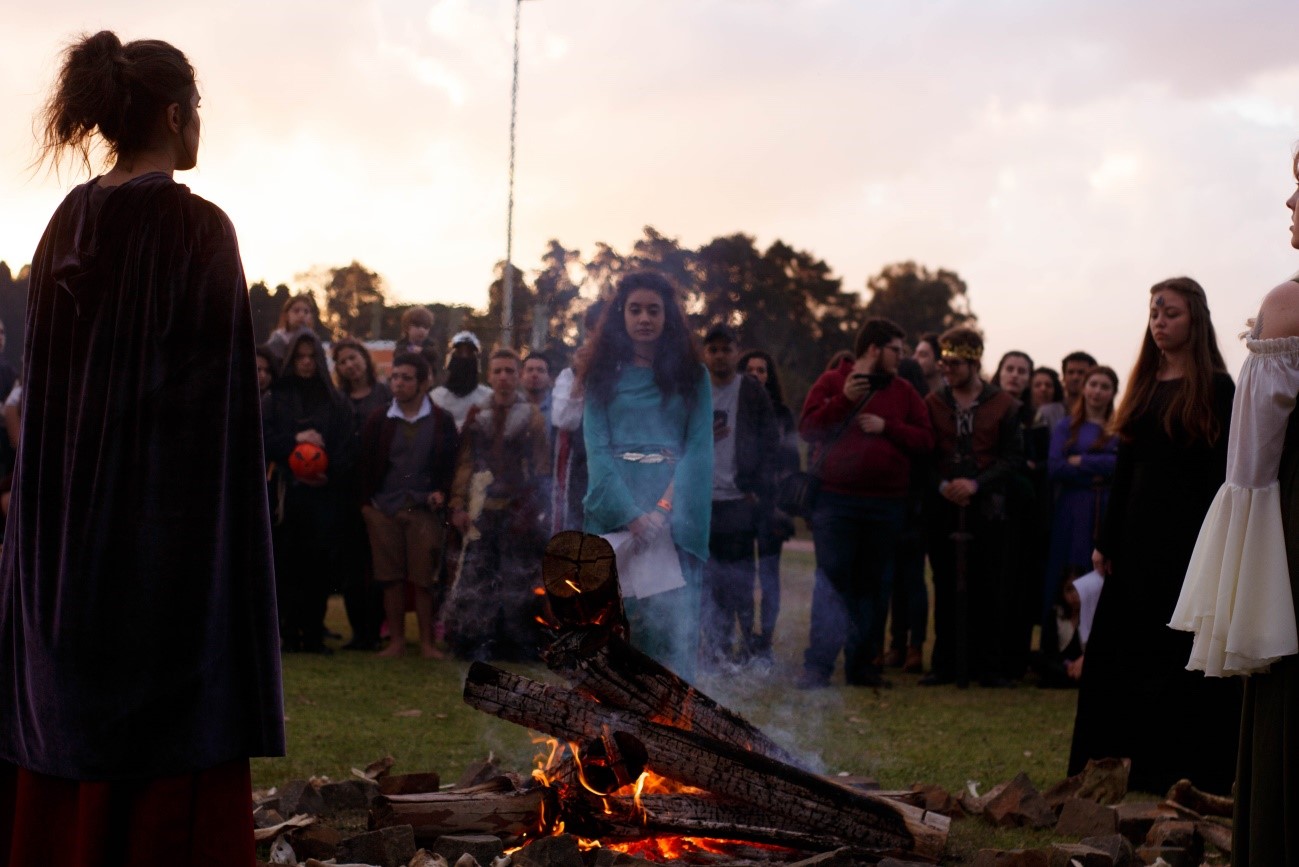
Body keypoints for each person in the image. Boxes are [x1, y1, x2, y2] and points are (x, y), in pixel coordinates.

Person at [0, 31, 283, 864]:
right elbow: (217, 432)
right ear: (174, 113)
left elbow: (45, 408)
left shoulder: (62, 227)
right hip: (163, 567)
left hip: (61, 561)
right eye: (197, 111)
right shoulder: (199, 231)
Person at [1068, 277, 1241, 796]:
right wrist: (1106, 539)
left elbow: (1224, 471)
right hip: (1136, 543)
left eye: (1171, 313)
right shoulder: (1143, 382)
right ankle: (1124, 763)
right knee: (1125, 652)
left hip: (1189, 542)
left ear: (1196, 320)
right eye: (1154, 313)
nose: (1159, 322)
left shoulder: (1216, 387)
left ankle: (1180, 767)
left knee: (1178, 653)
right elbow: (1126, 466)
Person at [1172, 160, 1299, 864]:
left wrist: (1245, 584)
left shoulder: (1287, 304)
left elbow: (1251, 462)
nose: (1289, 199)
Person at [579, 271, 712, 680]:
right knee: (615, 625)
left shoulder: (694, 376)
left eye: (653, 310)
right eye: (635, 310)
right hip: (614, 515)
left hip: (670, 520)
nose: (644, 318)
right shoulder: (601, 375)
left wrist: (662, 510)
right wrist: (632, 515)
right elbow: (596, 452)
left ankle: (669, 730)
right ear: (621, 315)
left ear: (667, 316)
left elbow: (698, 451)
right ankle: (610, 732)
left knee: (670, 627)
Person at [797, 318, 933, 689]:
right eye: (896, 350)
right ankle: (818, 667)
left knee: (872, 587)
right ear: (874, 349)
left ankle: (862, 666)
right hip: (836, 503)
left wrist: (888, 427)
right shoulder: (831, 382)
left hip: (886, 506)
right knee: (831, 584)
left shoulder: (905, 392)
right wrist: (845, 401)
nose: (901, 358)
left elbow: (925, 441)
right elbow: (808, 428)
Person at [922, 327, 1023, 688]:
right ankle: (944, 664)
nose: (946, 369)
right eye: (944, 362)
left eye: (955, 363)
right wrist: (944, 484)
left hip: (989, 510)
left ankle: (988, 667)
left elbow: (1012, 459)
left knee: (988, 586)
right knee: (946, 583)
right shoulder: (932, 403)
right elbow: (925, 456)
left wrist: (977, 484)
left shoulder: (1005, 406)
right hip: (944, 508)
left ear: (974, 362)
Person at [445, 348, 551, 661]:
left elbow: (541, 466)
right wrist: (457, 504)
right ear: (489, 376)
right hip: (483, 510)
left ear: (517, 375)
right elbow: (466, 463)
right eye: (498, 371)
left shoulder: (531, 416)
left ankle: (518, 644)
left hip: (520, 510)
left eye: (509, 371)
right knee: (477, 577)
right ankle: (474, 641)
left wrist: (537, 508)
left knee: (517, 578)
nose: (504, 377)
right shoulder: (477, 414)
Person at [359, 352, 458, 659]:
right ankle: (397, 642)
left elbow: (451, 464)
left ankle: (427, 643)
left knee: (423, 577)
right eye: (395, 377)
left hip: (423, 509)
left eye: (406, 378)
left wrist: (443, 491)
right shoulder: (379, 418)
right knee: (390, 577)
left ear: (423, 382)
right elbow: (363, 464)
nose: (398, 384)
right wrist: (366, 505)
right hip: (384, 507)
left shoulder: (441, 420)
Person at [263, 330, 356, 654]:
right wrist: (294, 440)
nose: (305, 362)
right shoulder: (275, 398)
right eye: (299, 356)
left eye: (310, 356)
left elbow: (346, 445)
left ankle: (314, 633)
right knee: (287, 567)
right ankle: (288, 634)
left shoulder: (335, 400)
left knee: (318, 567)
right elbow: (263, 438)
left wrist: (327, 472)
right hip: (286, 495)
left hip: (322, 495)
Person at [699, 324, 777, 671]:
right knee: (708, 580)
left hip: (739, 500)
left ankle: (748, 649)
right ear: (706, 353)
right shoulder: (695, 389)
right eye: (713, 349)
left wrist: (757, 490)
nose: (720, 355)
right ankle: (715, 649)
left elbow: (770, 442)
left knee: (741, 581)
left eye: (726, 349)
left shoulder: (751, 391)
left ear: (736, 351)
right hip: (702, 501)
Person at [1041, 367, 1119, 628]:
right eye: (1093, 384)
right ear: (1084, 388)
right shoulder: (1066, 427)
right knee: (1068, 568)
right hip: (1073, 509)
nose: (1097, 391)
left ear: (1113, 393)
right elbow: (1055, 467)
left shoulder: (1119, 428)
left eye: (1104, 386)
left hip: (1106, 507)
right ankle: (1063, 643)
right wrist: (1100, 467)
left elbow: (1119, 466)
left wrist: (1082, 461)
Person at [738, 348, 800, 661]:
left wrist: (784, 505)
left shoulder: (782, 415)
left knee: (770, 576)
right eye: (750, 370)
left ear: (769, 375)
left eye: (762, 370)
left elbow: (791, 461)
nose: (756, 375)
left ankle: (766, 642)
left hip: (772, 506)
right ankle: (747, 639)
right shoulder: (732, 409)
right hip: (739, 506)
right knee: (742, 576)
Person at [330, 338, 392, 651]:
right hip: (345, 490)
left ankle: (375, 629)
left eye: (353, 358)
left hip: (380, 488)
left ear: (364, 359)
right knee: (353, 564)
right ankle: (359, 633)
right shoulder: (338, 399)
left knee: (378, 561)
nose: (349, 365)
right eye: (342, 362)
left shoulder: (385, 394)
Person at [432, 331, 492, 432]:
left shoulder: (488, 397)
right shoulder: (436, 397)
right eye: (459, 353)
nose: (464, 357)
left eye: (469, 353)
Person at [265, 293, 316, 365]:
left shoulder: (314, 340)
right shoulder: (277, 339)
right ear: (286, 315)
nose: (301, 315)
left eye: (306, 312)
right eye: (296, 311)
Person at [395, 306, 440, 376]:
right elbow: (399, 354)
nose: (422, 330)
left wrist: (421, 351)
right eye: (417, 326)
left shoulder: (430, 344)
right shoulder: (402, 344)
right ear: (407, 328)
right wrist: (412, 350)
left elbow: (434, 355)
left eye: (426, 327)